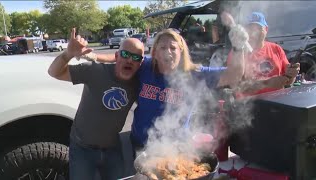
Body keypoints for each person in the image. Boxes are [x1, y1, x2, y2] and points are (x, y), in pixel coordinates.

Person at [82, 29, 226, 157]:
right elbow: (122, 56)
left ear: (181, 52)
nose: (167, 52)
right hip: (140, 145)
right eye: (162, 47)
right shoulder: (145, 67)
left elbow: (234, 74)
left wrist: (240, 46)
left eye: (173, 48)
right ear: (155, 53)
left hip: (176, 149)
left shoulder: (195, 74)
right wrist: (95, 57)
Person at [47, 28, 144, 180]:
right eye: (125, 54)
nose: (130, 60)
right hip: (82, 148)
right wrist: (68, 54)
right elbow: (54, 72)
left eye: (135, 57)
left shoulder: (139, 81)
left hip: (113, 148)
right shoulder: (96, 71)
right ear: (117, 56)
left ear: (140, 63)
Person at [218, 12, 300, 97]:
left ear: (266, 29)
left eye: (258, 28)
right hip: (249, 106)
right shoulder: (237, 52)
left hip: (278, 102)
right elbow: (235, 85)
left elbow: (289, 80)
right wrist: (267, 84)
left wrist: (292, 75)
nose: (254, 32)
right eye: (250, 28)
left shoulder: (276, 49)